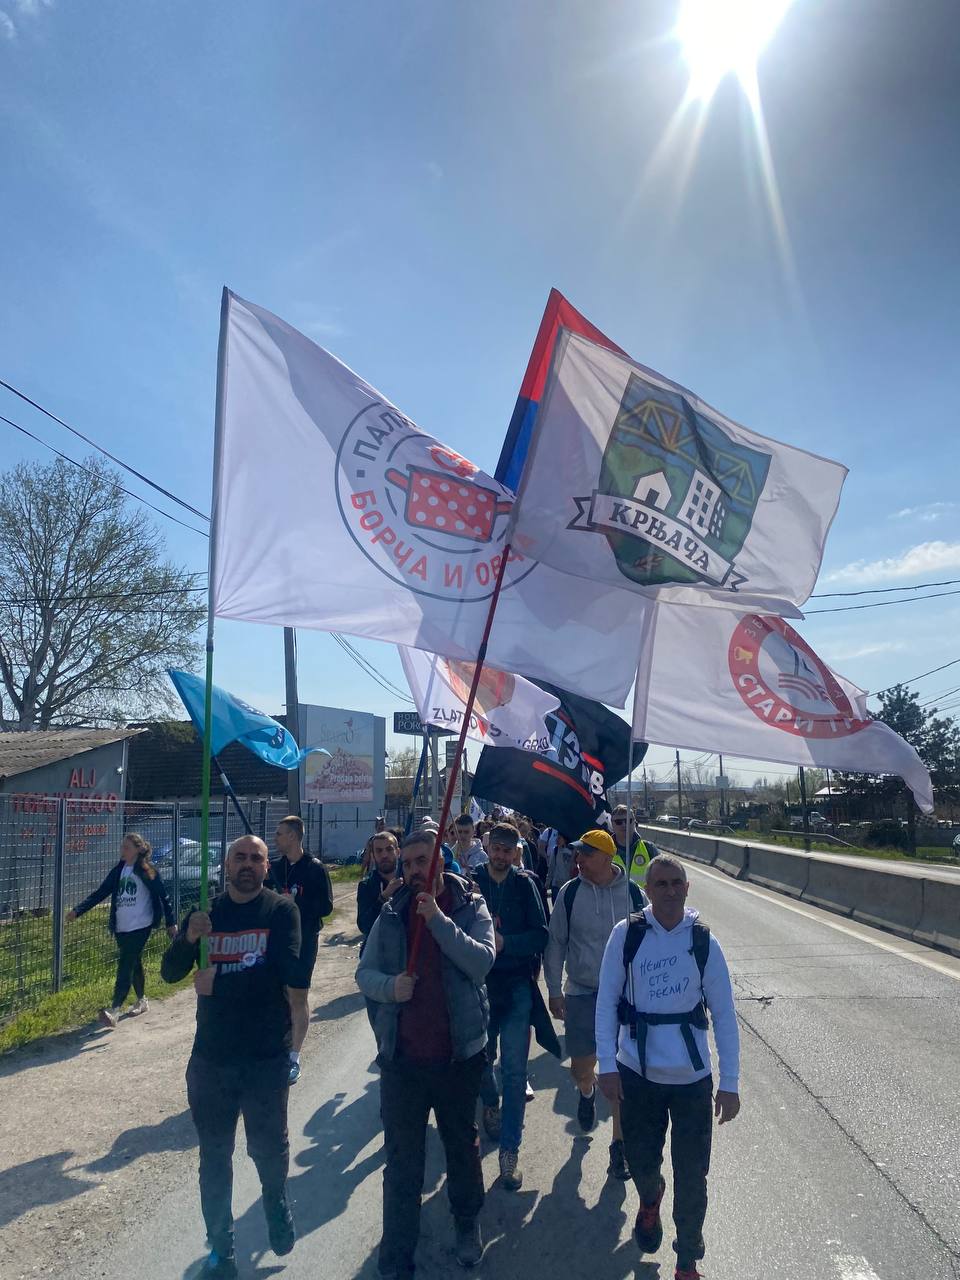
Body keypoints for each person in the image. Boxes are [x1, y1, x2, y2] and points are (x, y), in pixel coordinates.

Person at [356, 829, 496, 1277]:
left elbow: (481, 962)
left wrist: (437, 920)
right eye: (409, 863)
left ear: (442, 861)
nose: (416, 870)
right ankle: (398, 1253)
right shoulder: (392, 913)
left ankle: (466, 1223)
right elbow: (365, 974)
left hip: (459, 1058)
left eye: (424, 860)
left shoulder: (470, 906)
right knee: (402, 1163)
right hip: (403, 1062)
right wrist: (390, 988)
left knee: (461, 1149)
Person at [161, 835, 301, 1279]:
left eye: (256, 858)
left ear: (266, 867)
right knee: (214, 1158)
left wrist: (220, 983)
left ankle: (275, 1201)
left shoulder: (281, 912)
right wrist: (188, 937)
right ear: (225, 865)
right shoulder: (206, 913)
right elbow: (169, 972)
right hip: (212, 1059)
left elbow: (286, 972)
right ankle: (222, 1250)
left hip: (265, 1058)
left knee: (269, 1150)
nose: (247, 864)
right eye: (239, 857)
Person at [596, 855, 740, 1280]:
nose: (670, 891)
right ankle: (650, 1195)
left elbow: (725, 1015)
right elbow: (606, 1002)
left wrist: (730, 1082)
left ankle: (687, 1258)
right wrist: (606, 1065)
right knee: (641, 1161)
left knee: (693, 1174)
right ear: (648, 889)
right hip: (637, 1073)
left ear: (687, 888)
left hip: (691, 1080)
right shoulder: (627, 936)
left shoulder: (704, 942)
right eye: (661, 883)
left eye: (677, 883)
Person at [543, 828, 647, 1182]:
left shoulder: (633, 893)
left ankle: (619, 1147)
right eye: (578, 853)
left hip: (623, 997)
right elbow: (556, 943)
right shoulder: (569, 893)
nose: (579, 859)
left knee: (620, 1071)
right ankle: (586, 1092)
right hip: (582, 993)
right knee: (582, 1068)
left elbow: (648, 943)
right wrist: (554, 990)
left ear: (606, 857)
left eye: (586, 854)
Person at [473, 822, 551, 1191]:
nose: (501, 856)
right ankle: (490, 1103)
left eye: (508, 850)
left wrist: (508, 943)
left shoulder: (524, 885)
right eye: (496, 849)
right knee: (480, 1059)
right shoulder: (473, 881)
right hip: (480, 986)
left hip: (518, 985)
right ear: (488, 847)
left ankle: (509, 1153)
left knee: (515, 1072)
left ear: (516, 852)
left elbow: (541, 935)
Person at [67, 832, 176, 1028]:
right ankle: (142, 1000)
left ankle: (115, 1009)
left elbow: (163, 895)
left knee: (126, 962)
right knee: (133, 961)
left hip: (141, 925)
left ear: (138, 849)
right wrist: (78, 910)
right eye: (122, 847)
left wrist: (171, 921)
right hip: (121, 926)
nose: (122, 851)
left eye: (126, 847)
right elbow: (101, 892)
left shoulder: (148, 869)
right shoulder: (119, 870)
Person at [271, 815, 334, 1085]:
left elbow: (326, 906)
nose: (275, 838)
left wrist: (297, 903)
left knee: (297, 996)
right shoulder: (275, 868)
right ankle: (277, 1046)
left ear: (293, 836)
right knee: (277, 996)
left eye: (279, 834)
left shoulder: (315, 868)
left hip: (304, 940)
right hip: (277, 942)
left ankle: (293, 1057)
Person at [356, 830, 402, 942]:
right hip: (378, 947)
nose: (384, 855)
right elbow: (364, 926)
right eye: (379, 851)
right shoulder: (366, 886)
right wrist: (383, 898)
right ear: (373, 856)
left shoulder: (408, 882)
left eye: (389, 849)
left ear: (398, 852)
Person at [611, 805, 657, 887]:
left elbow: (662, 877)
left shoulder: (649, 849)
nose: (624, 825)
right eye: (618, 822)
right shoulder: (604, 851)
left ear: (634, 823)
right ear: (612, 825)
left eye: (628, 820)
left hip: (643, 895)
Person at [545, 829, 575, 905]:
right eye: (557, 837)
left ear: (565, 839)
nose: (557, 840)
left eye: (559, 838)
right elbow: (551, 867)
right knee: (555, 906)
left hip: (568, 884)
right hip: (556, 884)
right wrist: (548, 881)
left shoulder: (573, 851)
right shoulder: (555, 850)